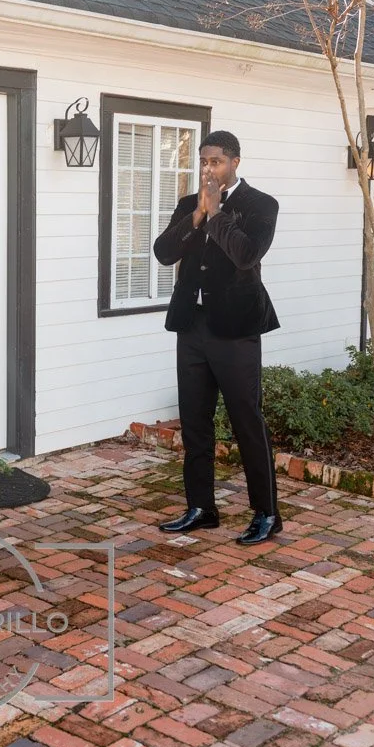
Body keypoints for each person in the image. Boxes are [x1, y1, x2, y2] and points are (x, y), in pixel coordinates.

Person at [152, 130, 282, 546]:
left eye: (216, 162)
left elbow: (246, 255)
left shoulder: (261, 205)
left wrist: (216, 215)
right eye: (204, 162)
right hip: (192, 326)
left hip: (236, 329)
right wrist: (196, 216)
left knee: (247, 421)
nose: (208, 169)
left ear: (235, 163)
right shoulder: (189, 205)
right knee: (194, 421)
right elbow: (163, 252)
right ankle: (201, 507)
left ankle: (266, 513)